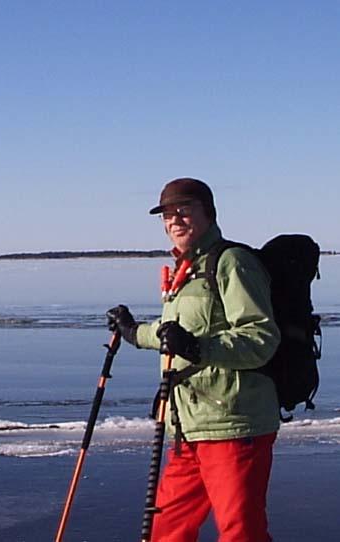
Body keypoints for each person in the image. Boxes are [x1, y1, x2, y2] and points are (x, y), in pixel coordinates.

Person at [106, 178, 281, 542]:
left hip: (234, 425)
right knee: (166, 529)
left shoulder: (232, 263)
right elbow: (173, 332)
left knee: (240, 532)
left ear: (209, 213)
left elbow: (260, 339)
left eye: (184, 211)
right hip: (188, 427)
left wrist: (198, 347)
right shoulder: (186, 271)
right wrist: (133, 331)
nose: (175, 220)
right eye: (168, 214)